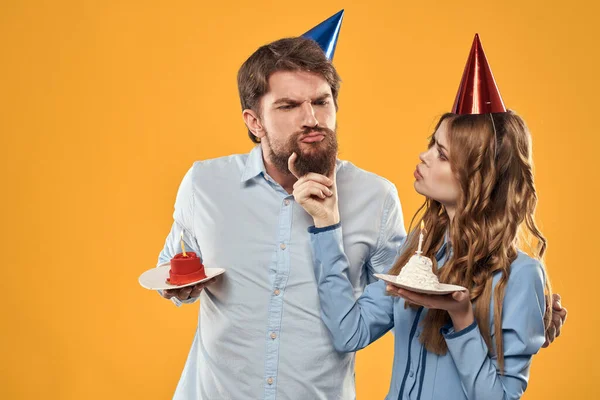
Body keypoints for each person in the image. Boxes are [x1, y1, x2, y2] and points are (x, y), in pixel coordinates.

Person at [156, 33, 566, 399]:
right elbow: (174, 267)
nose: (311, 118)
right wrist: (179, 287)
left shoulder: (377, 199)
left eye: (321, 101)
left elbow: (399, 307)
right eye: (289, 106)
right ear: (254, 122)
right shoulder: (204, 185)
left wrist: (517, 320)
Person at [294, 35, 564, 399]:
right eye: (430, 145)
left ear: (477, 176)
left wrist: (463, 316)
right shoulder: (421, 253)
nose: (423, 157)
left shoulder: (519, 277)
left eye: (441, 154)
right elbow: (349, 332)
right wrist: (326, 225)